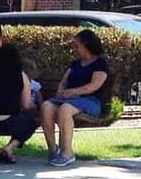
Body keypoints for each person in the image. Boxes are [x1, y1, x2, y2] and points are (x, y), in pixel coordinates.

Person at [40, 28, 110, 169]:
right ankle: (54, 150)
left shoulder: (100, 64)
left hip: (90, 101)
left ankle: (67, 153)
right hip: (69, 99)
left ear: (86, 45)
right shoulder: (75, 64)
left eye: (76, 46)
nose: (74, 49)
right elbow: (64, 81)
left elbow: (94, 86)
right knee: (46, 106)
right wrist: (61, 90)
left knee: (65, 109)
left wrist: (72, 92)